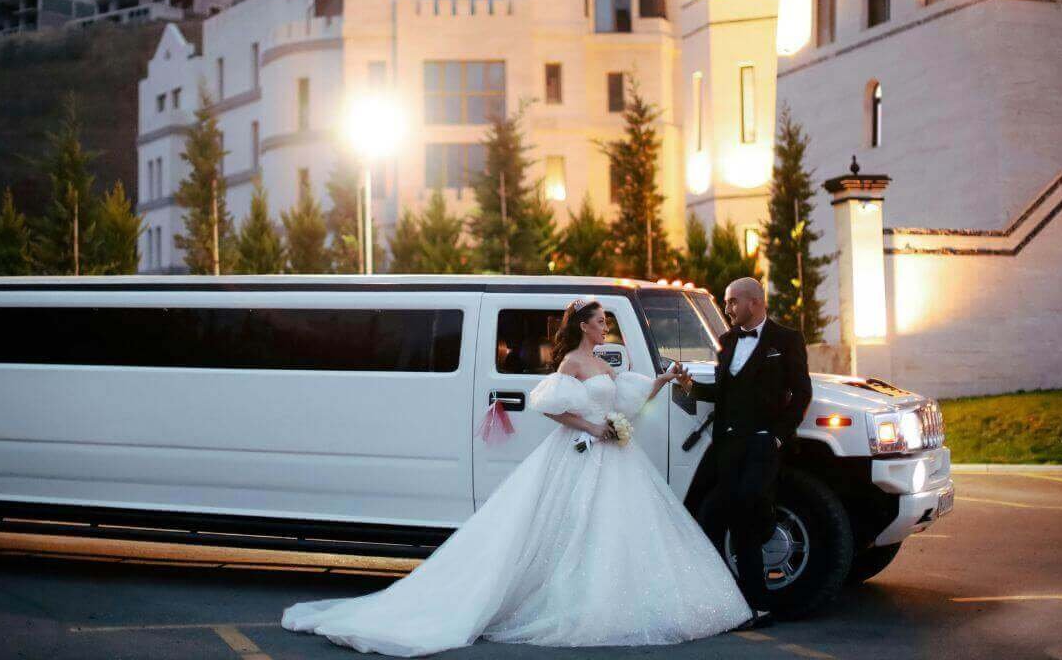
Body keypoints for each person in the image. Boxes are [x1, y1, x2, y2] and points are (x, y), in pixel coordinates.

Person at [281, 297, 752, 656]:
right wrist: (593, 427)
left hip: (614, 456)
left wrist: (664, 380)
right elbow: (551, 406)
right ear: (584, 326)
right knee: (569, 526)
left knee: (612, 528)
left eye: (605, 321)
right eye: (600, 320)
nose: (605, 326)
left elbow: (628, 399)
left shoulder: (606, 360)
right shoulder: (572, 363)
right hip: (583, 451)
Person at [676, 277, 812, 628]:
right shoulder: (726, 341)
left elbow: (802, 392)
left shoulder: (786, 339)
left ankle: (757, 601)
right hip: (728, 445)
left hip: (763, 443)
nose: (727, 308)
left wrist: (778, 437)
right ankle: (739, 601)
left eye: (732, 301)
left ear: (754, 302)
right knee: (724, 516)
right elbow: (723, 392)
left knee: (749, 509)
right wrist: (691, 387)